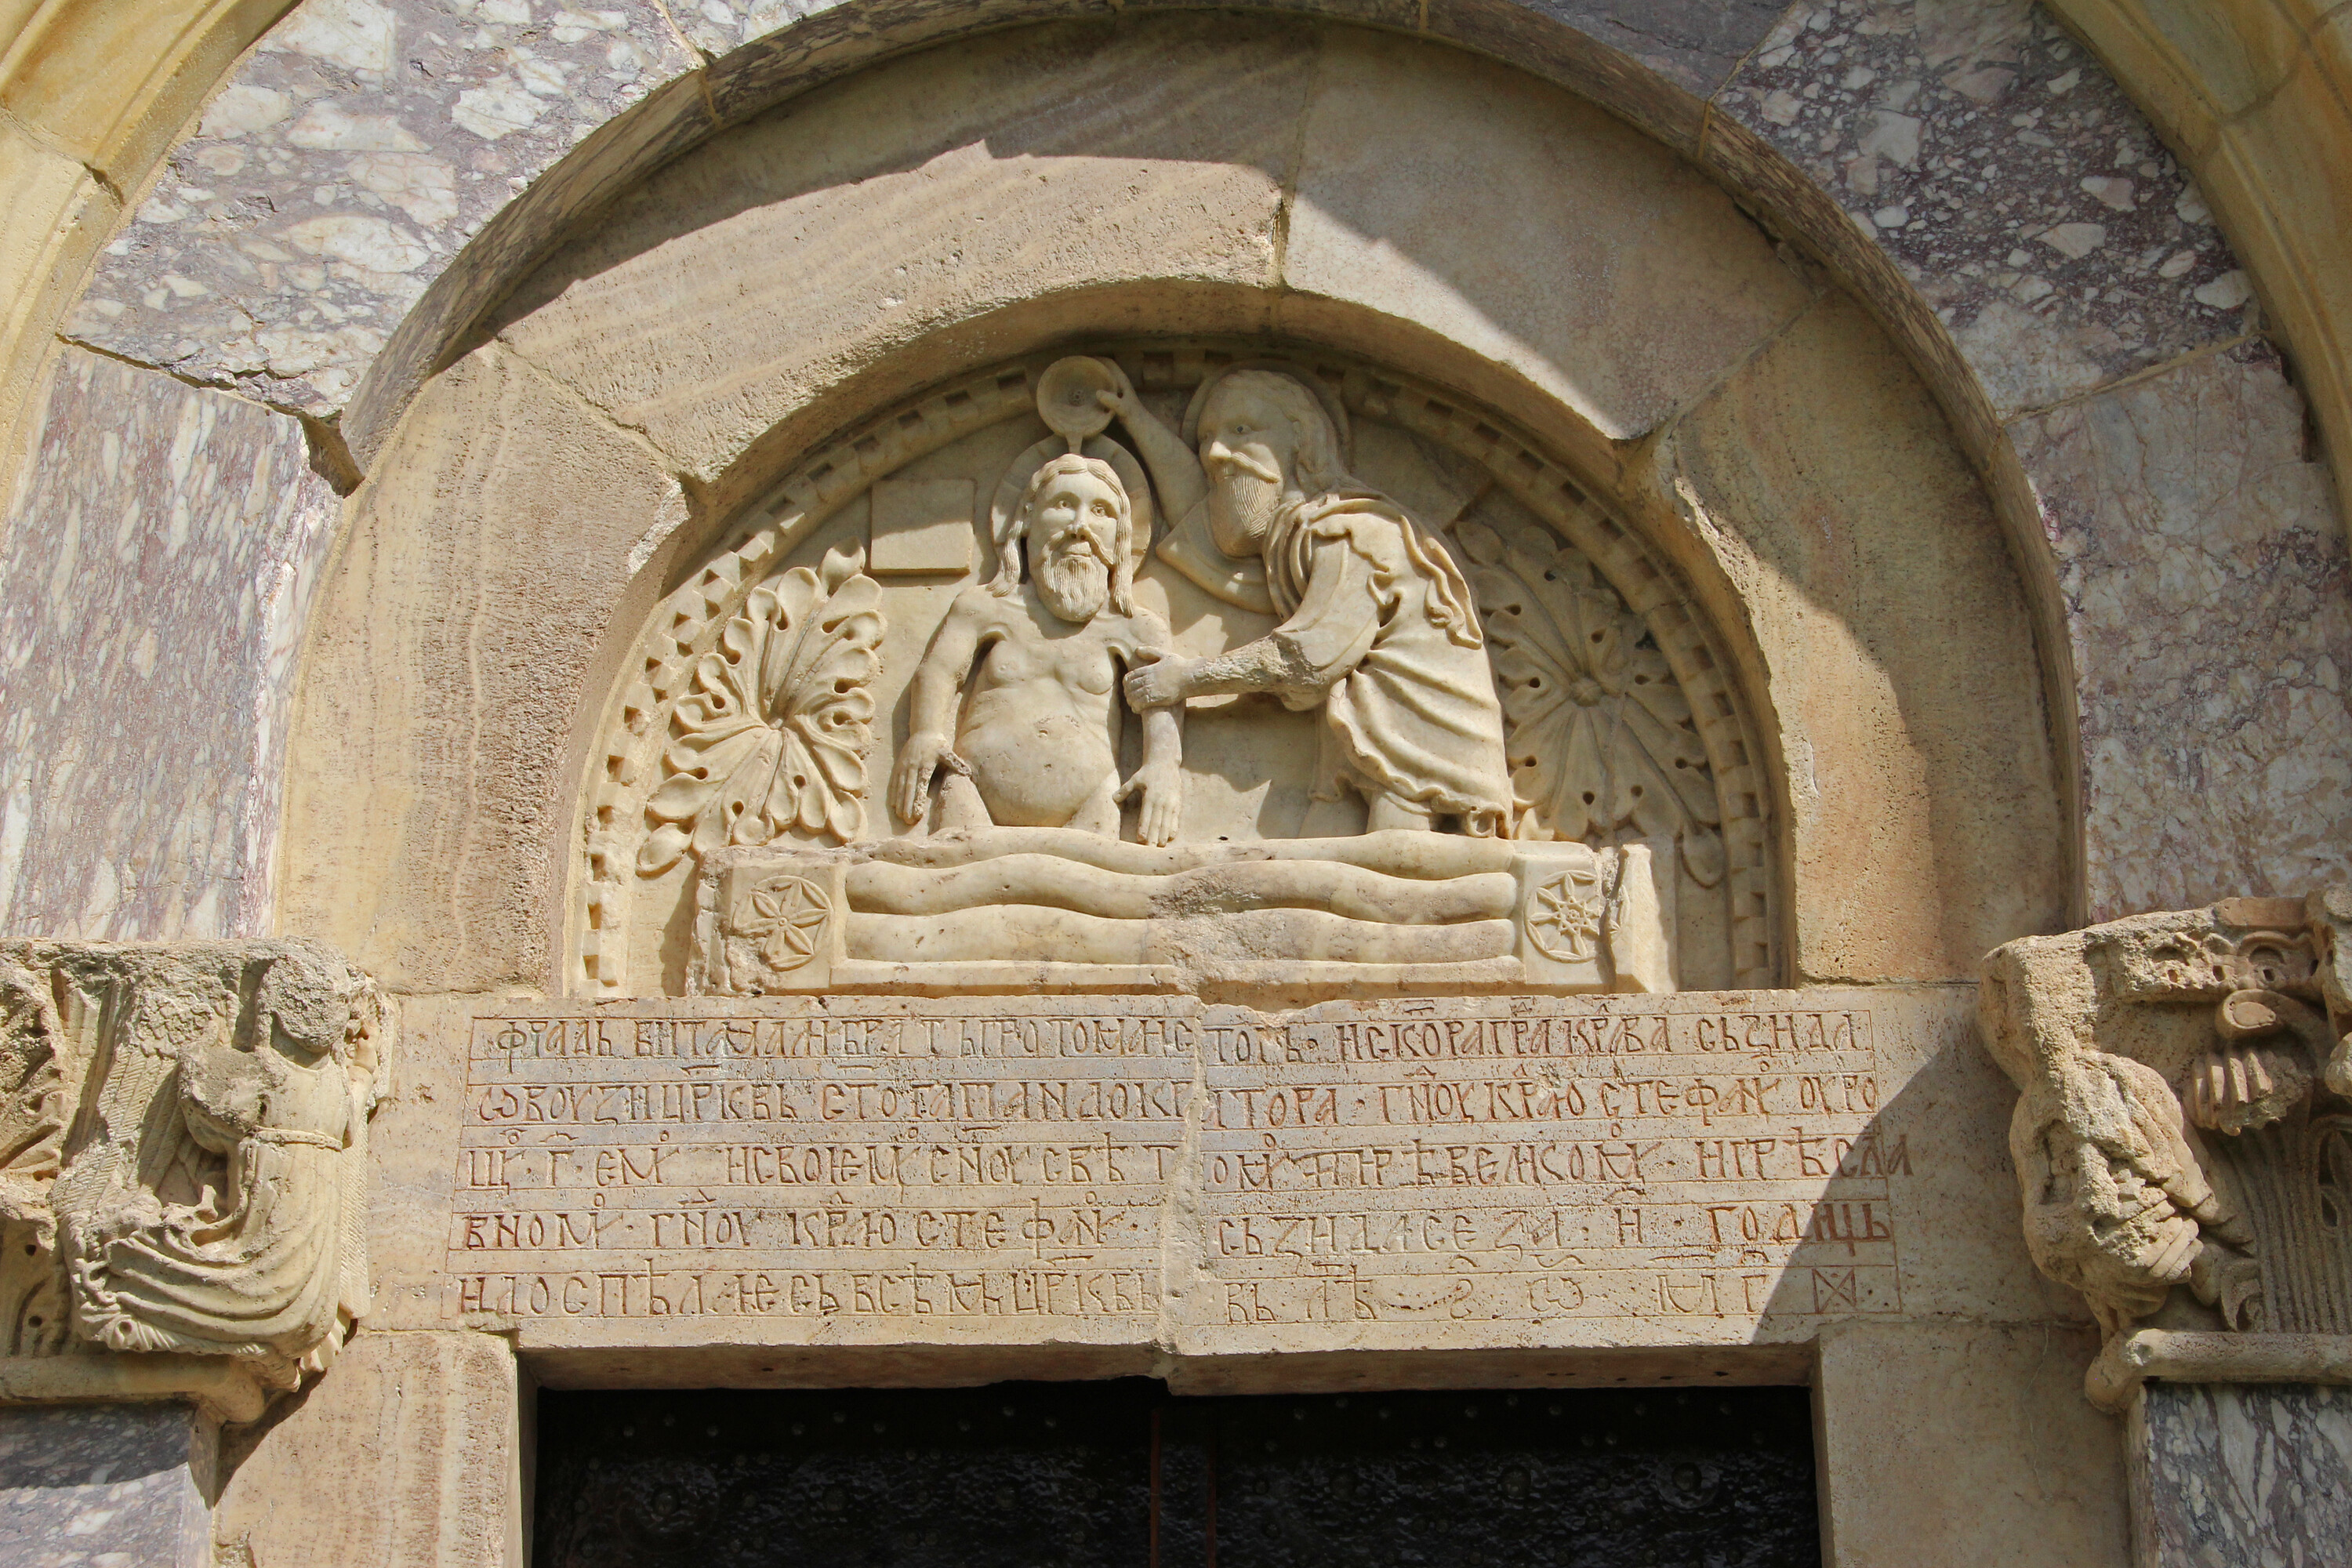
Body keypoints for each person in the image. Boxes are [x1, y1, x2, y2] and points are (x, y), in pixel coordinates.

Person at [1102, 365, 1512, 835]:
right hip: (1355, 742)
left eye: (1241, 430)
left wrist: (1186, 678)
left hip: (1423, 748)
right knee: (1324, 863)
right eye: (1206, 439)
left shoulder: (1350, 533)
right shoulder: (1288, 541)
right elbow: (1197, 513)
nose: (1215, 454)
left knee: (1396, 875)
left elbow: (1310, 657)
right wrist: (1132, 415)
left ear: (1303, 442)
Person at [891, 452, 1182, 844]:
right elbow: (941, 670)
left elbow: (1162, 696)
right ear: (1027, 519)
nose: (1081, 527)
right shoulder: (984, 607)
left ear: (1122, 535)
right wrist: (924, 734)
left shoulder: (1136, 628)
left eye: (1101, 511)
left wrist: (1163, 768)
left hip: (1092, 807)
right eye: (1063, 505)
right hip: (971, 798)